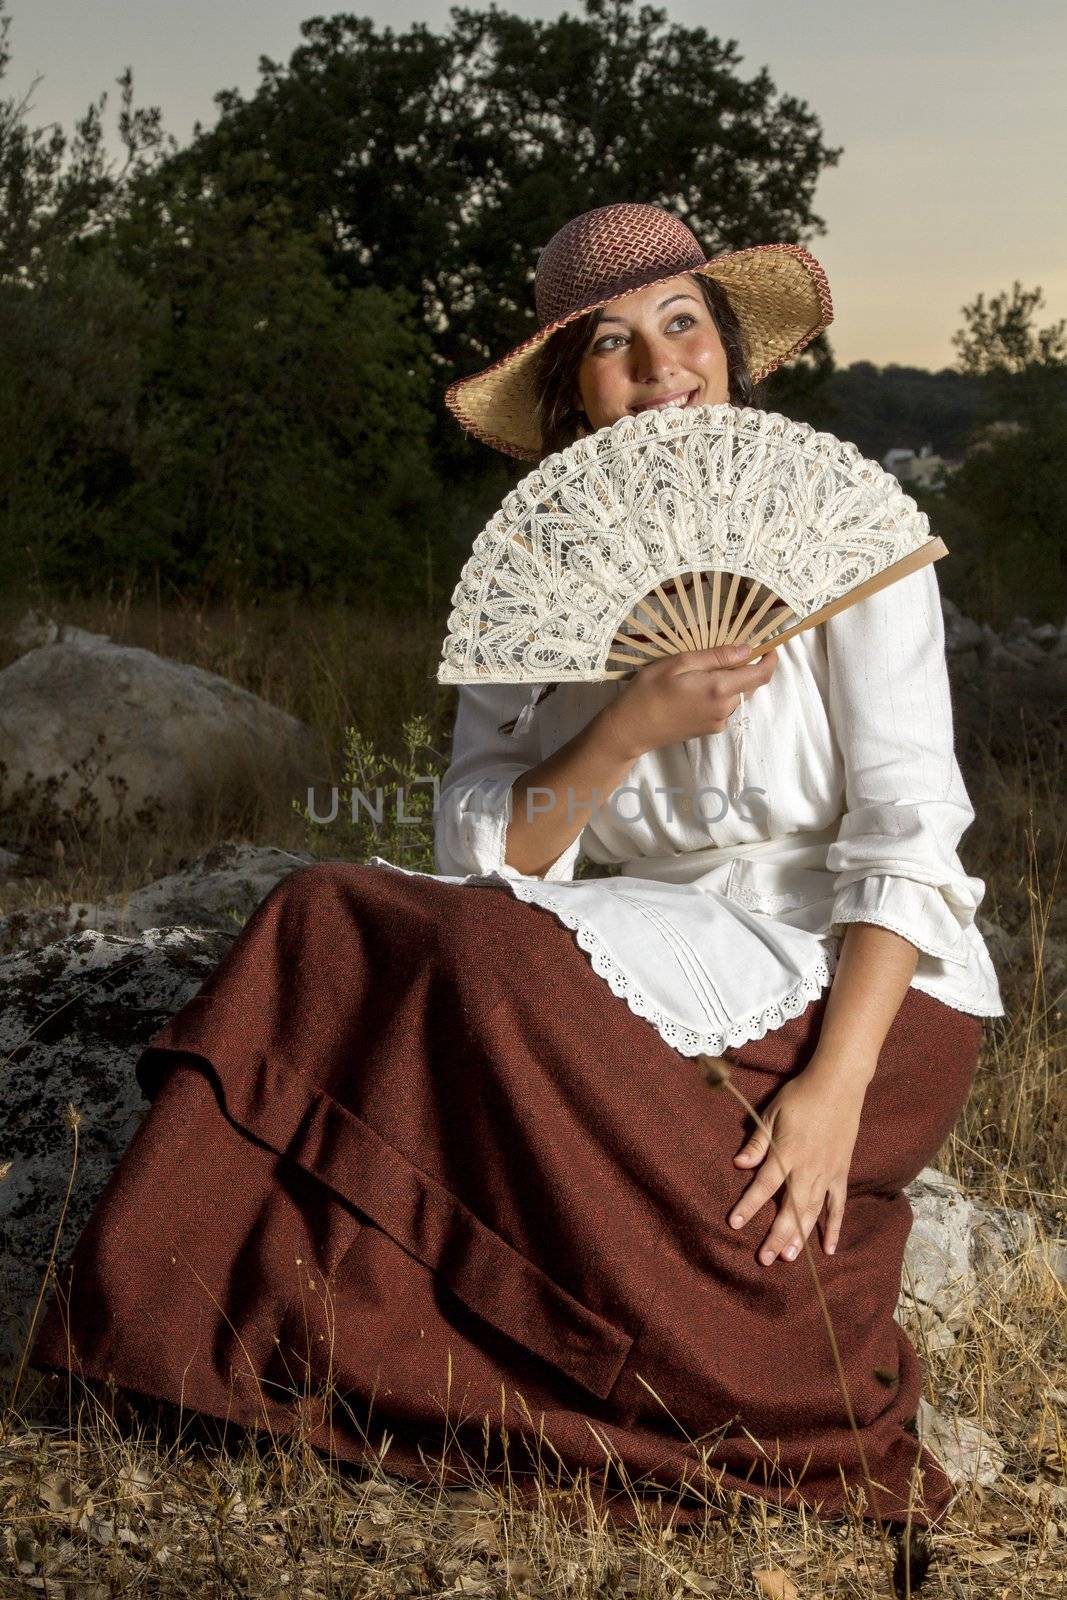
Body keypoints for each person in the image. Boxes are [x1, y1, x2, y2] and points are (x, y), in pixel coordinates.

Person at [31, 202, 1004, 1539]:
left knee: (487, 965)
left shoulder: (847, 532)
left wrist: (835, 1091)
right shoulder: (545, 564)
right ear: (570, 393)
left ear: (726, 346)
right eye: (615, 344)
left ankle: (759, 1383)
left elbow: (908, 831)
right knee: (327, 917)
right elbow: (484, 846)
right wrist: (628, 727)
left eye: (686, 325)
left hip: (858, 986)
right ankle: (189, 1326)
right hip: (634, 950)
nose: (666, 367)